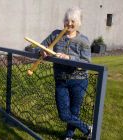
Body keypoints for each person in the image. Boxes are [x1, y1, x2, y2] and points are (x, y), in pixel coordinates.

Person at [39, 7, 92, 140]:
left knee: (74, 111)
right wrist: (42, 51)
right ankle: (88, 129)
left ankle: (69, 136)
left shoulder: (83, 40)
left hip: (79, 81)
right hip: (61, 80)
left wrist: (69, 58)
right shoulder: (56, 35)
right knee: (64, 114)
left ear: (79, 22)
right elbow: (41, 46)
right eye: (67, 20)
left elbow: (87, 63)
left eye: (73, 21)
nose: (69, 23)